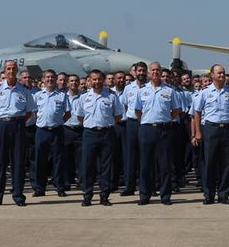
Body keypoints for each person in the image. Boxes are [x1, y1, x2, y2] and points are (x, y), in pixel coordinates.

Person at [0, 60, 37, 207]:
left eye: (13, 68)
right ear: (4, 71)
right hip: (0, 124)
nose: (11, 71)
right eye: (8, 69)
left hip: (18, 125)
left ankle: (18, 195)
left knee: (18, 162)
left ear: (17, 70)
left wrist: (17, 121)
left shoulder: (24, 90)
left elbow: (29, 112)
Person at [193, 64, 229, 204]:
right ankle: (209, 194)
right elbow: (197, 113)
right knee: (210, 163)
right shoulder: (205, 93)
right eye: (219, 73)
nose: (221, 75)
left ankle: (224, 194)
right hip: (210, 130)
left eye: (223, 73)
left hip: (227, 129)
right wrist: (198, 132)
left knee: (226, 164)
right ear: (212, 75)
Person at [135, 62, 180, 205]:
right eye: (153, 70)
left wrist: (164, 120)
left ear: (161, 73)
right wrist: (148, 120)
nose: (155, 72)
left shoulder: (169, 91)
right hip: (147, 129)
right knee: (145, 164)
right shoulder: (142, 91)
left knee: (165, 164)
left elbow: (176, 110)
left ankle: (165, 196)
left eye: (158, 70)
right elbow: (137, 110)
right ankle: (144, 195)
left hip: (164, 129)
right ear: (148, 73)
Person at [77, 69, 123, 206]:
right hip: (90, 134)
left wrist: (106, 124)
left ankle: (104, 195)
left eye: (99, 79)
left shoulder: (111, 96)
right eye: (94, 79)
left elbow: (118, 115)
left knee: (106, 166)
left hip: (107, 133)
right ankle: (87, 195)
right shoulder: (84, 97)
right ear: (89, 81)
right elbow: (80, 116)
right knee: (87, 165)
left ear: (103, 80)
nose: (97, 82)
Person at [32, 69, 70, 197]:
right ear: (43, 80)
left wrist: (59, 121)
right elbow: (33, 112)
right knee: (40, 160)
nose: (50, 79)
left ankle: (60, 187)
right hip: (42, 131)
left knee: (58, 160)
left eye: (52, 77)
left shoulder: (62, 95)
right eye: (47, 77)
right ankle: (39, 188)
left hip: (57, 131)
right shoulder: (37, 95)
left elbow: (68, 113)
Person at [119, 62, 148, 196]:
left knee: (146, 156)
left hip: (146, 124)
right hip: (132, 124)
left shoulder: (149, 88)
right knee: (130, 156)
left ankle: (146, 187)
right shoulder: (128, 88)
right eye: (139, 71)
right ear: (134, 73)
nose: (141, 73)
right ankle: (129, 186)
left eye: (143, 71)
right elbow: (125, 106)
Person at [61, 73, 83, 193]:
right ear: (68, 83)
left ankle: (82, 182)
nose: (74, 83)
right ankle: (66, 182)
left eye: (76, 81)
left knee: (81, 158)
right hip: (66, 129)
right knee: (66, 158)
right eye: (72, 81)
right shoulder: (63, 97)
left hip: (80, 130)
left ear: (79, 83)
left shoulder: (84, 97)